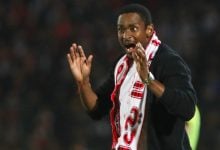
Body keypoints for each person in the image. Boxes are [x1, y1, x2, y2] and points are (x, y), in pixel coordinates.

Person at [67, 3, 197, 150]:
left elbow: (187, 108)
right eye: (120, 30)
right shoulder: (121, 66)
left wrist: (148, 80)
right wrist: (83, 83)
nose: (125, 35)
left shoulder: (168, 61)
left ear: (149, 30)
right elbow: (97, 109)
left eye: (133, 29)